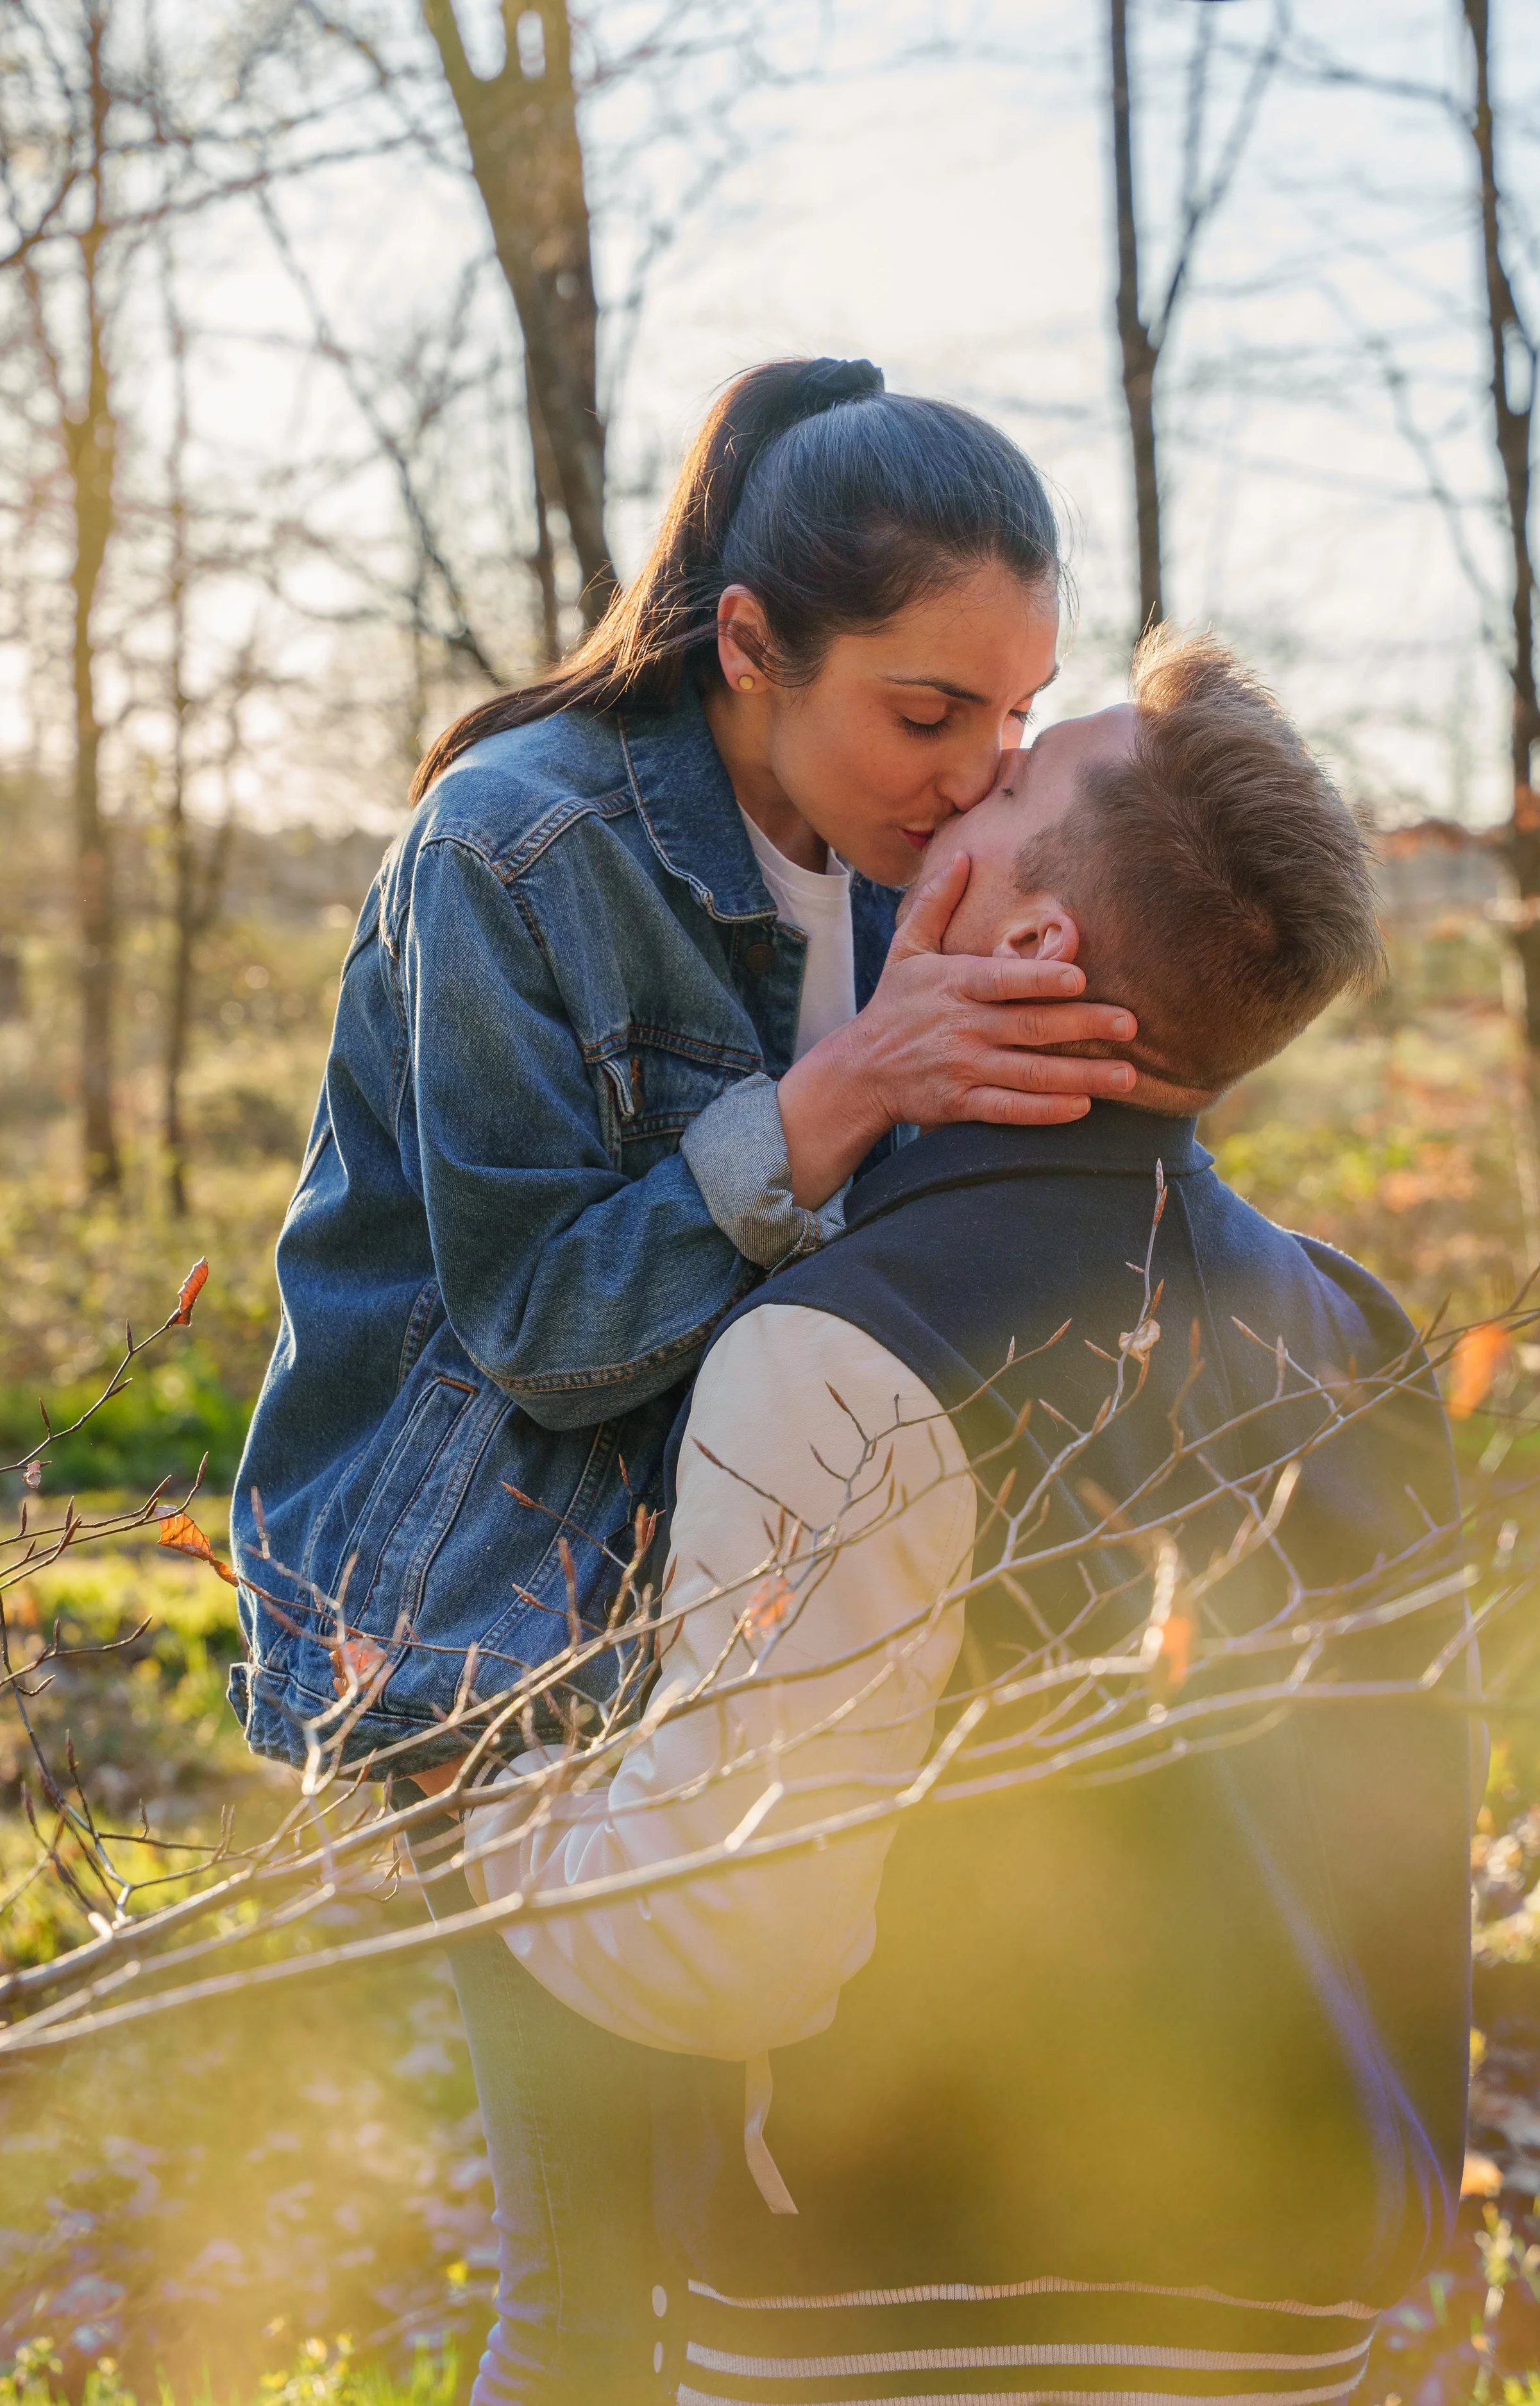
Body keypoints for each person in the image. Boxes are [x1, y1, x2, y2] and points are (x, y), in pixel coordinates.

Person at [226, 359, 1140, 2403]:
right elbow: (543, 1326)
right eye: (928, 712)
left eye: (1015, 711)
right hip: (487, 1624)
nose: (979, 766)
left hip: (758, 1609)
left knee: (751, 2274)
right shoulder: (512, 853)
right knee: (601, 2284)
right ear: (750, 642)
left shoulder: (941, 858)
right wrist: (834, 1099)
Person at [466, 631, 1475, 2406]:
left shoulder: (838, 1350)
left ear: (1027, 946)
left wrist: (485, 1799)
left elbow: (727, 1941)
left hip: (886, 2321)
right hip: (1291, 2323)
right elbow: (1405, 1861)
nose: (954, 786)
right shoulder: (1364, 1332)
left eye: (1007, 786)